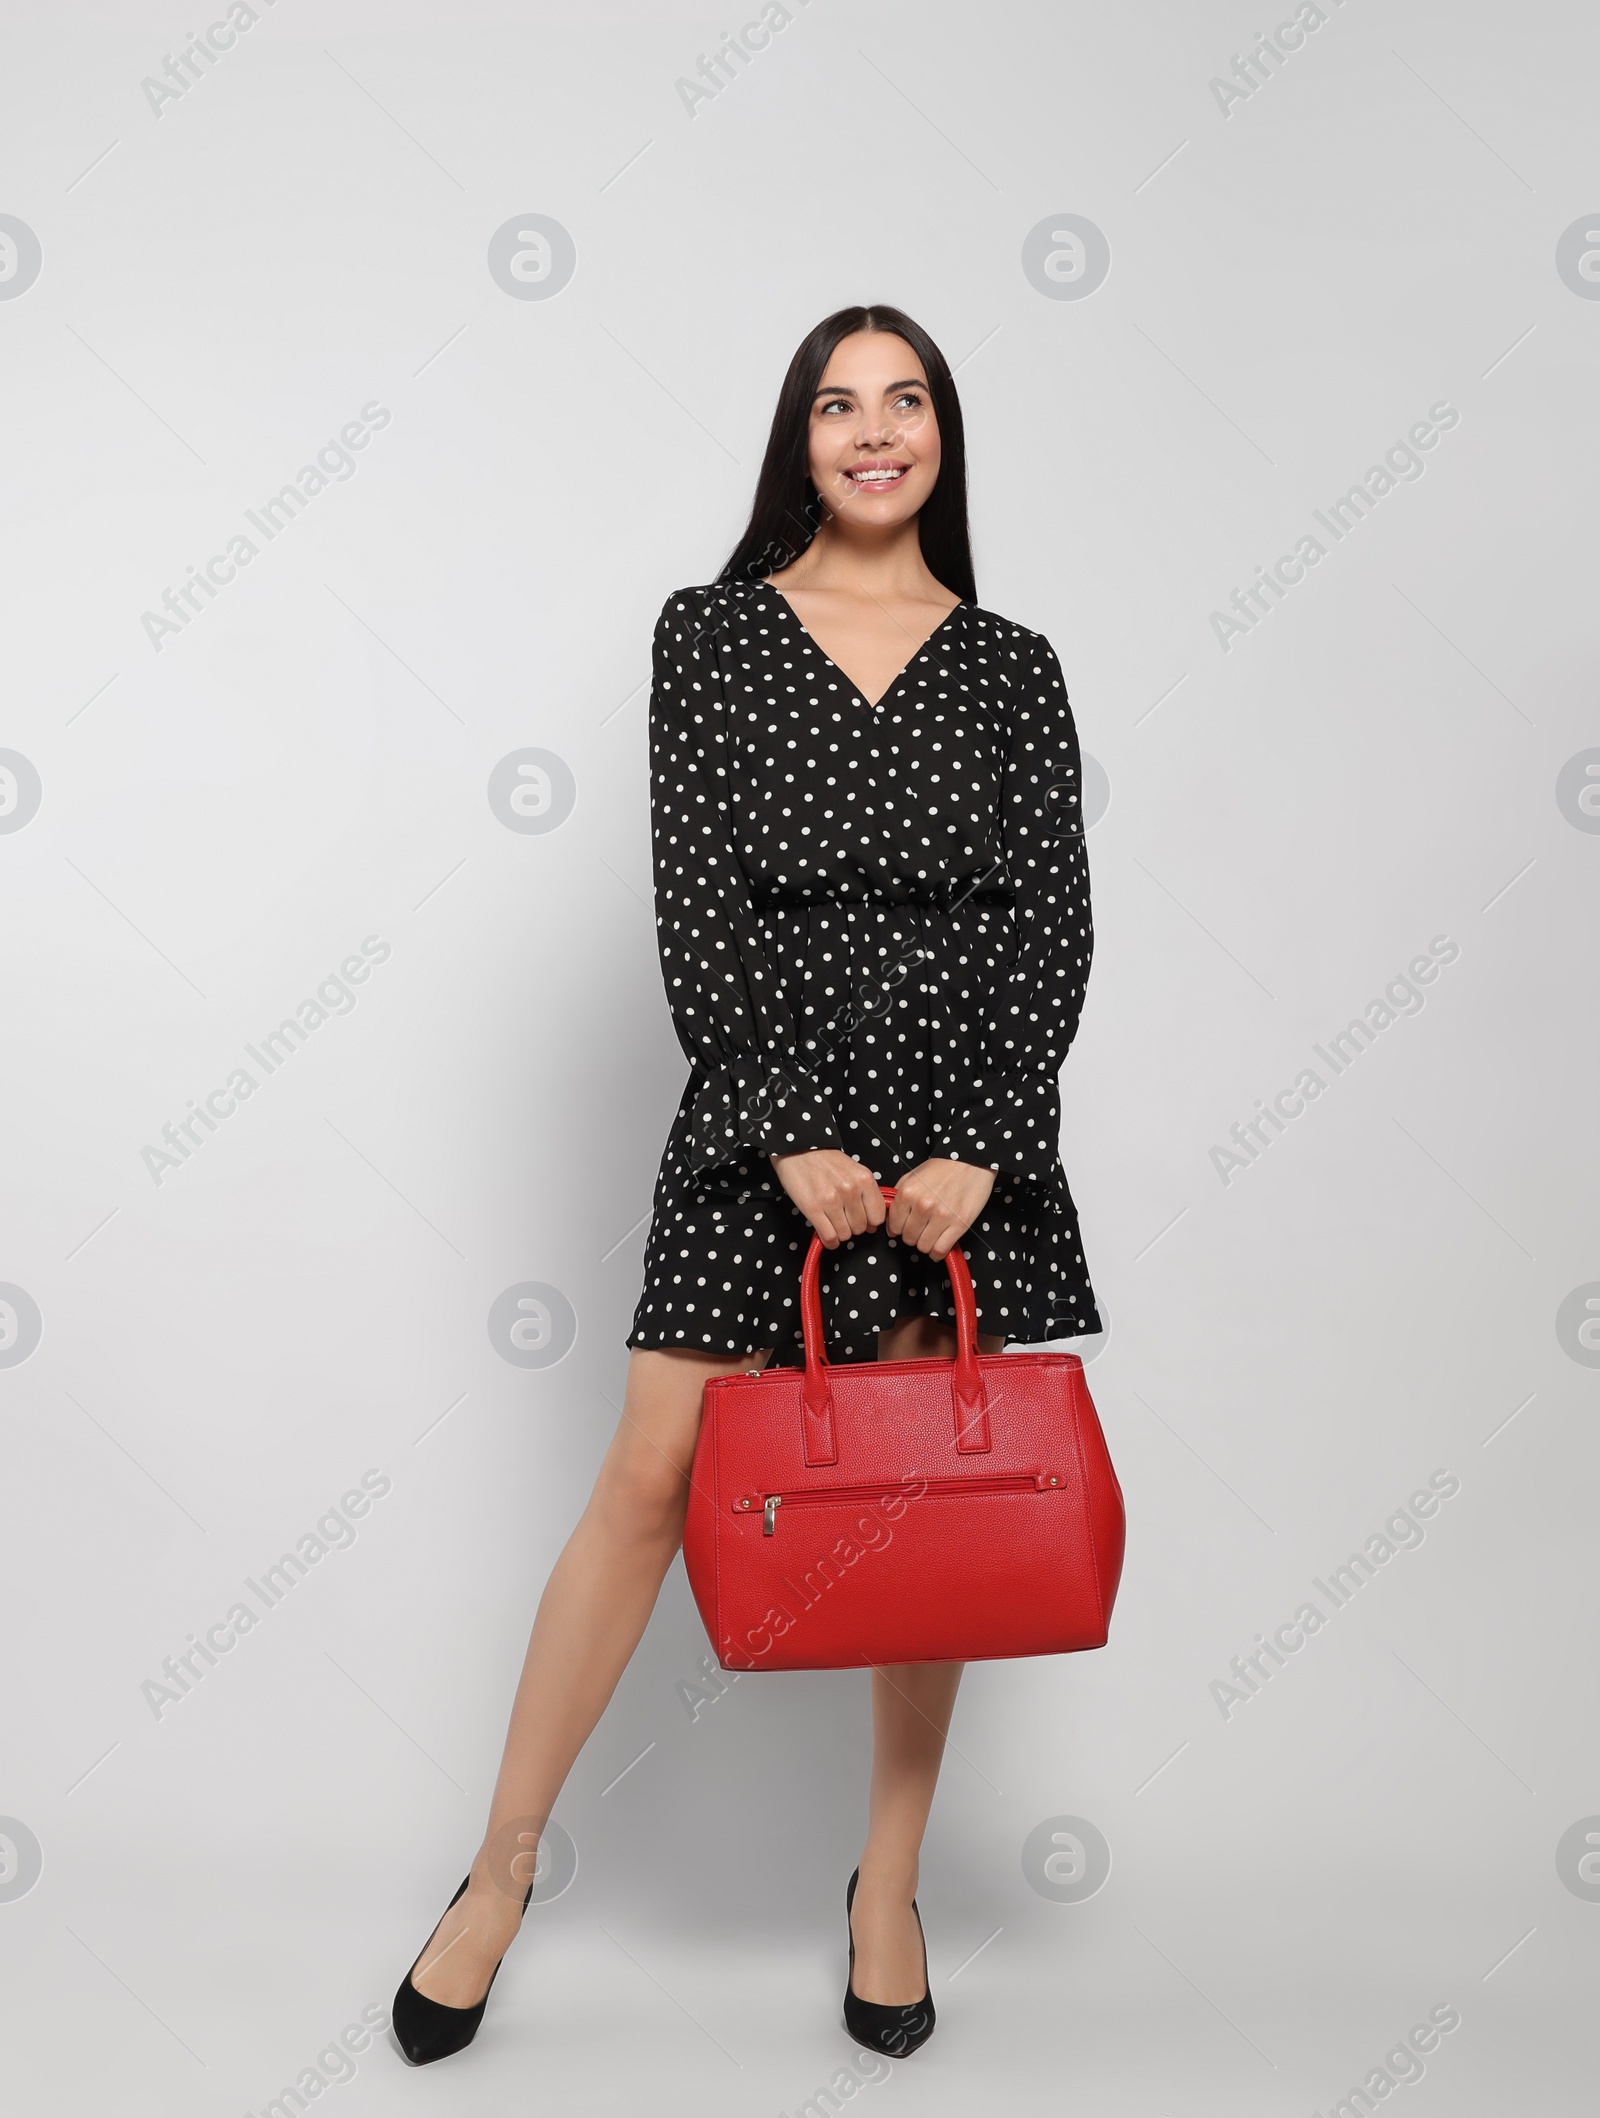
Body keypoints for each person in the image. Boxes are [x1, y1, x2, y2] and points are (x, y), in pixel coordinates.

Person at [391, 302, 1100, 2066]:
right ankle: (498, 1870)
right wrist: (783, 1122)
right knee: (645, 1481)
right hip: (754, 1125)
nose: (876, 432)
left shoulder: (1013, 665)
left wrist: (982, 1141)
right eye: (840, 405)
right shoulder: (711, 636)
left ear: (944, 433)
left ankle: (884, 1890)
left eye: (907, 400)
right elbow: (693, 891)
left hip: (954, 1135)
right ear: (800, 439)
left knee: (923, 1512)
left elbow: (1053, 924)